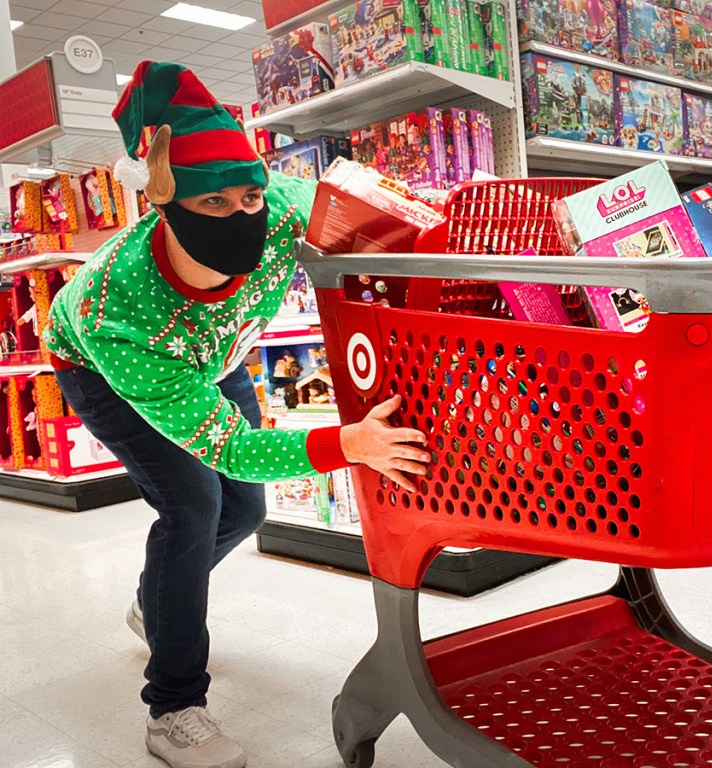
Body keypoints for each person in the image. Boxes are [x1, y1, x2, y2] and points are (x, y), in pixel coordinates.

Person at [44, 61, 431, 768]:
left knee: (244, 515)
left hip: (217, 355)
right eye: (214, 204)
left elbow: (383, 216)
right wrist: (347, 443)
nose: (243, 215)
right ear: (167, 206)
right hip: (99, 370)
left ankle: (157, 605)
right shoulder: (117, 312)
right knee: (192, 507)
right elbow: (231, 447)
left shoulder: (284, 207)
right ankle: (173, 707)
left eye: (249, 196)